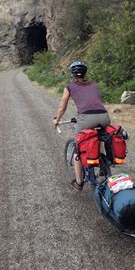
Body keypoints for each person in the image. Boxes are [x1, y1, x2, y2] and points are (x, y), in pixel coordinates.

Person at [53, 61, 111, 191]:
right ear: (85, 73)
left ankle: (79, 182)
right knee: (99, 137)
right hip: (104, 117)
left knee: (78, 148)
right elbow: (93, 102)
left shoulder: (70, 87)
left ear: (72, 74)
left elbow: (62, 107)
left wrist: (57, 119)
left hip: (86, 119)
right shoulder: (94, 85)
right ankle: (103, 167)